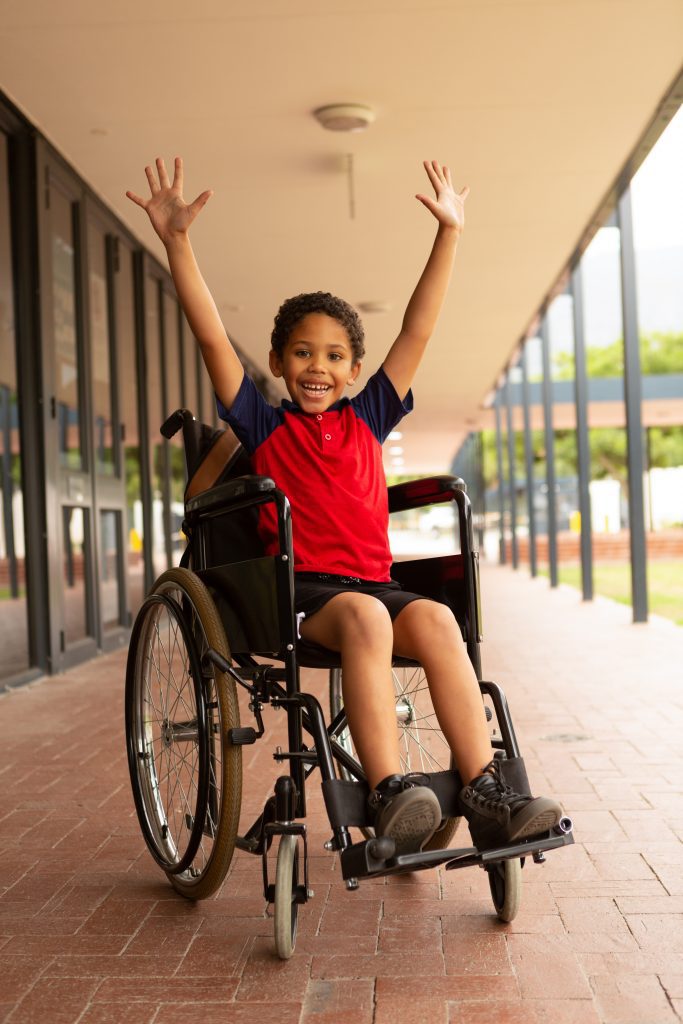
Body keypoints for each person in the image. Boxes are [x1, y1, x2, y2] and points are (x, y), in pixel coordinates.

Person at [127, 156, 563, 855]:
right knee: (364, 614)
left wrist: (448, 233)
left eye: (333, 356)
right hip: (304, 595)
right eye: (301, 353)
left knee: (436, 616)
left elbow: (417, 331)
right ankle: (391, 791)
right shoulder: (263, 426)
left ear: (355, 371)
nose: (317, 367)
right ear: (277, 360)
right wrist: (177, 242)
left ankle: (485, 785)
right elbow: (211, 335)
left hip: (374, 586)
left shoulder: (368, 418)